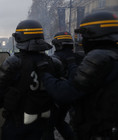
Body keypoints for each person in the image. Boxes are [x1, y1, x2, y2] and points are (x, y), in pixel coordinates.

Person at [39, 11, 118, 140]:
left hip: (98, 131)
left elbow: (66, 92)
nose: (81, 41)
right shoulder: (111, 55)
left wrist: (45, 75)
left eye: (83, 37)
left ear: (94, 34)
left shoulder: (98, 57)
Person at [0, 20, 57, 140]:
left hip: (18, 126)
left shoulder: (13, 63)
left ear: (19, 39)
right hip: (45, 126)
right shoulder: (54, 63)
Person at [42, 31, 77, 140]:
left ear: (57, 44)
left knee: (48, 126)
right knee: (60, 122)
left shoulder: (53, 59)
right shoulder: (79, 57)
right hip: (76, 97)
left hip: (58, 99)